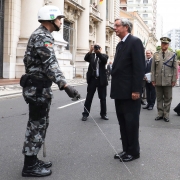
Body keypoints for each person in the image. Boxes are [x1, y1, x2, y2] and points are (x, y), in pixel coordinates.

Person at [20, 5, 80, 177]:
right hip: (37, 89)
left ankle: (33, 159)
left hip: (39, 88)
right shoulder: (42, 37)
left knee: (40, 124)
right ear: (51, 18)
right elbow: (50, 65)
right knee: (36, 126)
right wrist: (65, 85)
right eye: (59, 19)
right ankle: (29, 166)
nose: (61, 22)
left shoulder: (42, 35)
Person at [111, 18, 145, 162]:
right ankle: (126, 149)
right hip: (120, 91)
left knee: (131, 123)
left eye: (117, 26)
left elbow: (139, 68)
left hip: (130, 92)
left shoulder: (135, 42)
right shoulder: (120, 45)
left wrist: (137, 90)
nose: (115, 28)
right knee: (123, 122)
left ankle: (134, 152)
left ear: (126, 27)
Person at [151, 37, 177, 122]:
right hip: (158, 80)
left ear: (168, 45)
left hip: (168, 80)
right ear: (161, 44)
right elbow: (153, 68)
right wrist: (153, 79)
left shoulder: (172, 54)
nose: (164, 45)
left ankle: (166, 114)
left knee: (168, 98)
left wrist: (174, 80)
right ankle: (160, 114)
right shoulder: (156, 54)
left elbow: (175, 68)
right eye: (162, 43)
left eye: (165, 44)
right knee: (159, 98)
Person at [82, 44, 109, 121]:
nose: (96, 49)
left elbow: (104, 60)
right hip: (92, 80)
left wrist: (98, 53)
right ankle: (85, 114)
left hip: (101, 80)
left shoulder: (104, 55)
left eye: (98, 48)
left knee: (103, 98)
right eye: (95, 48)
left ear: (101, 49)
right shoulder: (91, 56)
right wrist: (90, 51)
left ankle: (103, 114)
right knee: (89, 98)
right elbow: (85, 58)